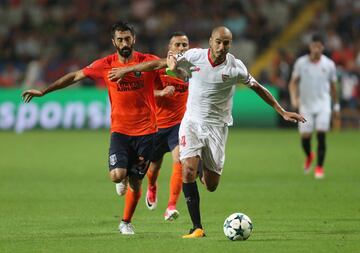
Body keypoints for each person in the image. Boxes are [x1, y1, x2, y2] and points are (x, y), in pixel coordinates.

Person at [108, 26, 306, 238]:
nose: (221, 47)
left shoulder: (235, 67)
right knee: (187, 171)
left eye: (226, 43)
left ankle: (198, 161)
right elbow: (162, 62)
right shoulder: (194, 56)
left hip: (217, 127)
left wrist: (282, 111)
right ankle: (197, 228)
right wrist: (139, 69)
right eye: (218, 42)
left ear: (230, 44)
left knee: (211, 185)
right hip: (191, 122)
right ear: (210, 41)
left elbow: (258, 87)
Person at [22, 21, 161, 235]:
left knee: (136, 182)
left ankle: (126, 222)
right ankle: (121, 179)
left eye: (128, 38)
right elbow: (75, 76)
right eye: (120, 39)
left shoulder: (146, 60)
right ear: (113, 42)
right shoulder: (105, 64)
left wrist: (128, 70)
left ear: (134, 39)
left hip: (147, 131)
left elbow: (161, 64)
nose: (125, 43)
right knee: (117, 175)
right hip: (120, 131)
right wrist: (44, 91)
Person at [110, 32, 190, 221]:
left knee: (180, 159)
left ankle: (171, 206)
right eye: (177, 45)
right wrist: (161, 93)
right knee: (153, 168)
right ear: (169, 49)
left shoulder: (190, 69)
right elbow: (141, 92)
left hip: (178, 124)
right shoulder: (156, 67)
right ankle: (152, 187)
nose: (181, 48)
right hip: (154, 126)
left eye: (185, 45)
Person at [289, 33, 339, 179]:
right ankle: (309, 155)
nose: (316, 49)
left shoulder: (329, 64)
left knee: (321, 134)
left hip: (323, 104)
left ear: (322, 47)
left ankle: (319, 167)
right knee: (305, 137)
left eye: (319, 46)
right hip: (306, 105)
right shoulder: (301, 63)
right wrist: (294, 98)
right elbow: (293, 82)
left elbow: (333, 87)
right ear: (310, 47)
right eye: (314, 46)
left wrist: (336, 107)